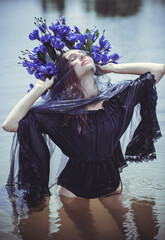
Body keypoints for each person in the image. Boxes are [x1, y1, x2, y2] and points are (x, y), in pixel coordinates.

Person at [2, 49, 165, 200]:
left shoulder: (117, 101)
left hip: (113, 187)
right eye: (73, 58)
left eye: (84, 54)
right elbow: (9, 125)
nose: (82, 56)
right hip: (73, 194)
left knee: (125, 231)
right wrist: (39, 88)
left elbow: (159, 69)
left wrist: (113, 68)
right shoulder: (61, 115)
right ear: (66, 74)